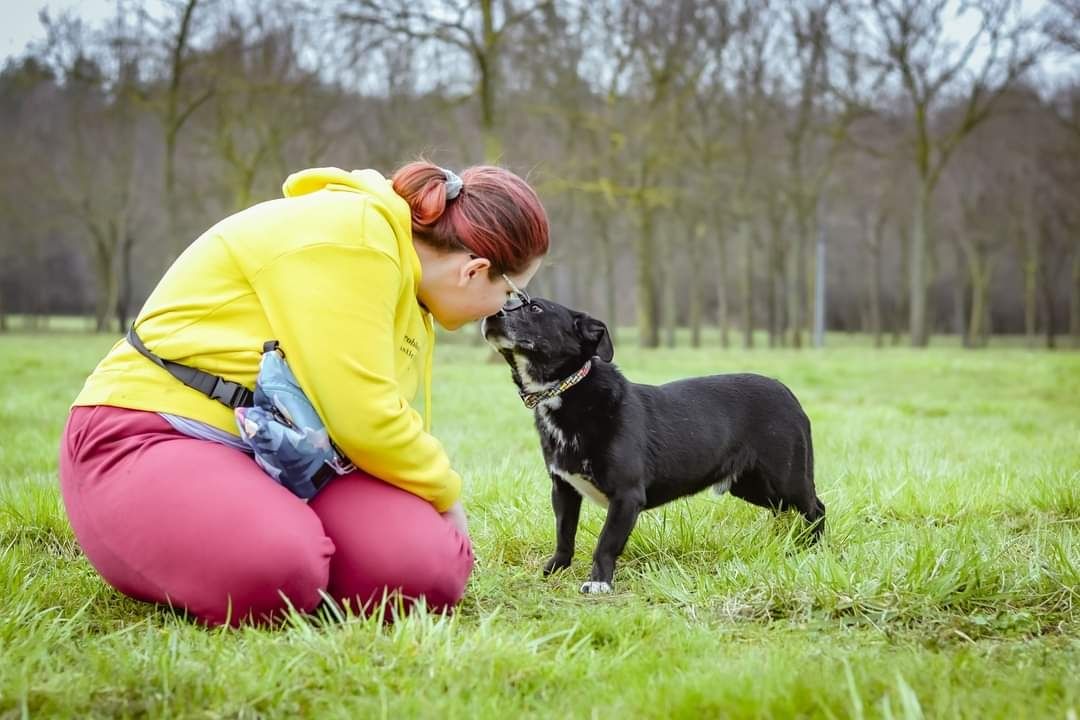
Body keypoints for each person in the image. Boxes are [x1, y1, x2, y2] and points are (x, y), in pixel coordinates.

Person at [58, 161, 548, 626]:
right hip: (156, 431)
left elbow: (359, 423)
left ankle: (276, 546)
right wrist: (446, 496)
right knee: (277, 569)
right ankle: (262, 555)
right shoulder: (356, 238)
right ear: (474, 268)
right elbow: (363, 416)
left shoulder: (411, 290)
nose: (502, 309)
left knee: (428, 572)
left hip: (291, 454)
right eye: (509, 295)